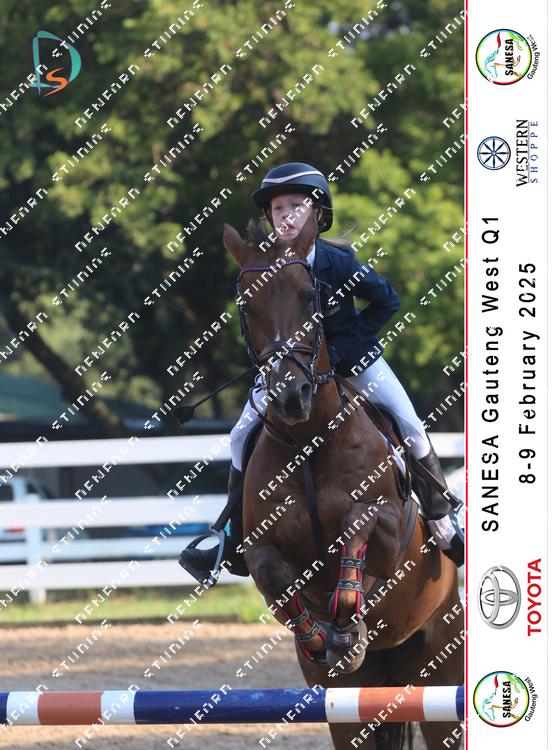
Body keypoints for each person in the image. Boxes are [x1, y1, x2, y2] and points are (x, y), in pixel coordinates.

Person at [180, 162, 465, 579]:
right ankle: (232, 536)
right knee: (240, 435)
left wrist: (343, 350)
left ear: (317, 213)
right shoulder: (262, 264)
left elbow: (387, 300)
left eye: (296, 206)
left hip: (354, 362)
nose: (286, 216)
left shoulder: (337, 261)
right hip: (290, 370)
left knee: (411, 425)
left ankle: (441, 521)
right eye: (278, 208)